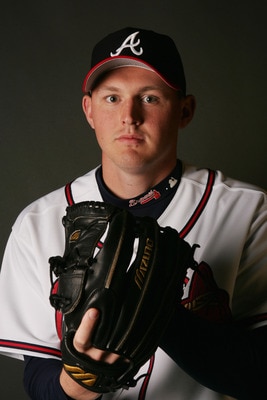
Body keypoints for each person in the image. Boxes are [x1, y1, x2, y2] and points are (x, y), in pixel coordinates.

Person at [0, 26, 267, 400]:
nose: (129, 116)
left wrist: (160, 314)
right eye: (112, 98)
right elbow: (37, 377)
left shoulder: (250, 211)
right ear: (89, 110)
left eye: (151, 98)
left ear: (185, 111)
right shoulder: (38, 224)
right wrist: (81, 380)